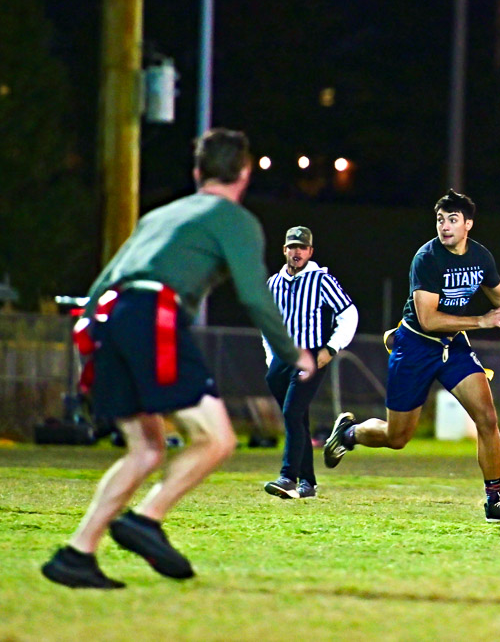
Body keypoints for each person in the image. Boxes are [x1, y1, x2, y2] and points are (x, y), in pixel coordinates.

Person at [41, 129, 315, 589]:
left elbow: (106, 277)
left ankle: (77, 553)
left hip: (108, 318)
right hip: (153, 316)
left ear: (196, 173)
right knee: (218, 439)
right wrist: (294, 353)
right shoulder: (235, 219)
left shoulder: (162, 214)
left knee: (146, 448)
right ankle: (147, 519)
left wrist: (89, 336)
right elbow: (254, 295)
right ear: (244, 173)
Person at [323, 189, 500, 522]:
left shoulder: (480, 257)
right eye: (440, 220)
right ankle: (349, 433)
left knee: (487, 418)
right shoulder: (427, 258)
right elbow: (428, 318)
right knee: (397, 437)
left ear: (468, 225)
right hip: (416, 346)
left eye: (452, 220)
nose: (445, 226)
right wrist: (481, 321)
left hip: (453, 345)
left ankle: (494, 499)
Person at [261, 226, 357, 499]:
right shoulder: (273, 284)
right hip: (283, 357)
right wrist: (271, 357)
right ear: (284, 250)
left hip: (311, 355)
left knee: (292, 413)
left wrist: (331, 348)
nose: (297, 252)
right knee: (297, 418)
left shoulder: (321, 280)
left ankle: (288, 477)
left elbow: (349, 314)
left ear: (310, 251)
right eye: (292, 247)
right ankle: (309, 484)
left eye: (302, 247)